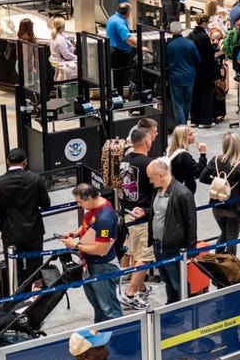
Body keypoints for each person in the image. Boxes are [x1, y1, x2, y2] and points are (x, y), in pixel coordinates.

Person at [59, 184, 123, 323]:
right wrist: (75, 233)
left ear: (89, 198)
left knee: (109, 308)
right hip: (90, 264)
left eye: (80, 202)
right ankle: (101, 334)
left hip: (102, 267)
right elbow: (88, 224)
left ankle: (120, 337)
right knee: (97, 305)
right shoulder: (95, 207)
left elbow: (101, 249)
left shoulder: (105, 218)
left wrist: (75, 245)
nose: (78, 205)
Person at [0, 147, 49, 283]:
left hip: (11, 232)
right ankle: (36, 298)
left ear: (7, 161)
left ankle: (16, 298)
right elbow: (46, 204)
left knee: (14, 270)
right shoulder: (36, 179)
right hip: (34, 230)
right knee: (36, 267)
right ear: (25, 162)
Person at [145, 158, 196, 304]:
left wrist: (191, 250)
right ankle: (171, 306)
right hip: (158, 244)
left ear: (160, 175)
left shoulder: (183, 193)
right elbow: (159, 212)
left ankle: (185, 309)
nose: (150, 181)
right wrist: (144, 211)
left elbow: (191, 223)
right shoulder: (158, 190)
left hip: (173, 247)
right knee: (167, 280)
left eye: (151, 178)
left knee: (178, 282)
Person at [118, 126, 157, 310]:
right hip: (141, 216)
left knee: (135, 253)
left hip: (128, 213)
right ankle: (130, 294)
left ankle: (141, 286)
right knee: (145, 257)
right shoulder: (148, 163)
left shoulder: (125, 160)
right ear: (147, 140)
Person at [199, 131, 240, 255]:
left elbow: (203, 178)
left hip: (217, 205)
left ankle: (217, 261)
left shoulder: (215, 160)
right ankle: (230, 266)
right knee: (232, 239)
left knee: (224, 233)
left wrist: (218, 182)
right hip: (234, 207)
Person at [165, 25, 200, 125]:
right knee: (187, 101)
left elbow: (165, 62)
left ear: (171, 31)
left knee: (177, 104)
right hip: (189, 77)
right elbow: (197, 60)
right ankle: (184, 124)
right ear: (181, 30)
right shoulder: (190, 43)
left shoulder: (169, 45)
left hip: (175, 78)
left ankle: (182, 126)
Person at [166, 126, 207, 193]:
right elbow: (198, 172)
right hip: (184, 191)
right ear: (183, 138)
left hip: (176, 188)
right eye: (190, 134)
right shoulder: (184, 155)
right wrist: (203, 153)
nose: (194, 136)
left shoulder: (171, 150)